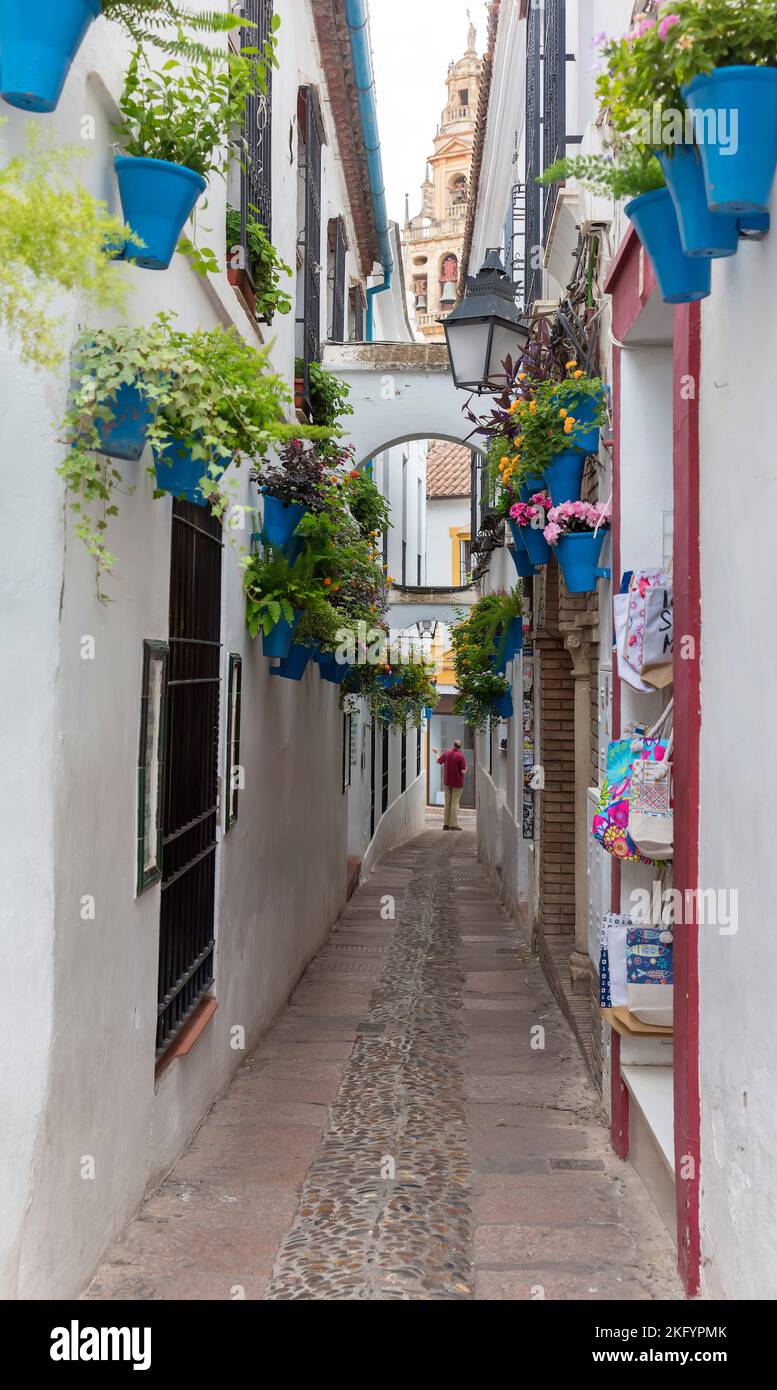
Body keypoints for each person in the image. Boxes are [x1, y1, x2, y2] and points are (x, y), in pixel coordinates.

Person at [433, 740, 468, 830]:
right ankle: (453, 824)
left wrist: (436, 753)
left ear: (453, 745)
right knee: (454, 803)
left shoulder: (447, 753)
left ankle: (446, 824)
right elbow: (463, 772)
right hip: (457, 783)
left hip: (447, 782)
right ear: (460, 747)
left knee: (447, 803)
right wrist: (466, 768)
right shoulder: (461, 756)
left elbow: (437, 761)